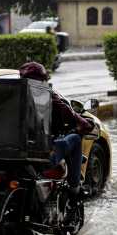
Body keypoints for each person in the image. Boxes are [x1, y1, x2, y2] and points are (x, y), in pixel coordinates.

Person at [19, 62, 94, 194]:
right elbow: (69, 114)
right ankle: (74, 187)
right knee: (76, 139)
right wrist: (86, 124)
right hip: (38, 156)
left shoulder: (11, 95)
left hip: (4, 156)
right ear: (42, 80)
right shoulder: (46, 94)